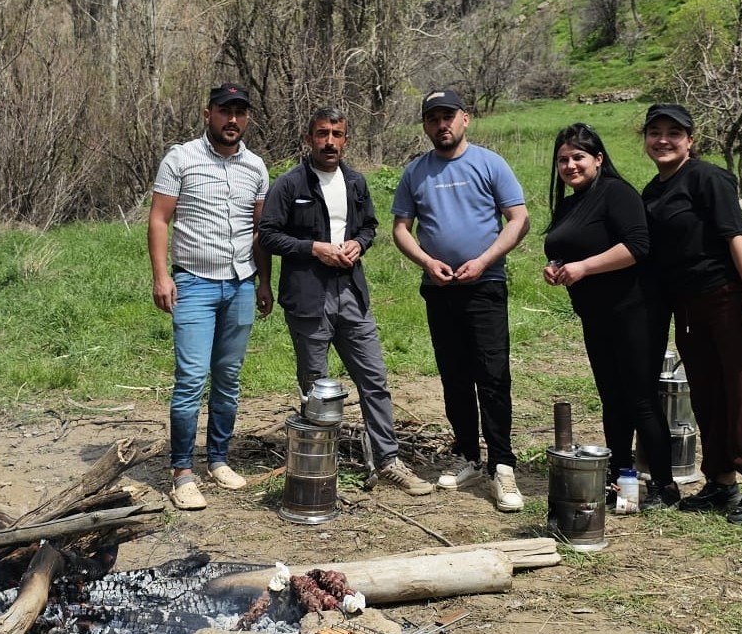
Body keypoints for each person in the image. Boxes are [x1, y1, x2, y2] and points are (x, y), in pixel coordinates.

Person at [258, 107, 435, 496]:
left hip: (351, 293)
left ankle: (388, 461)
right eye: (322, 134)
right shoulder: (289, 184)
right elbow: (267, 234)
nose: (329, 142)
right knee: (314, 386)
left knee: (374, 379)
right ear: (309, 139)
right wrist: (314, 248)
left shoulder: (354, 182)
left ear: (346, 140)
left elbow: (369, 226)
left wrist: (358, 243)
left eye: (337, 134)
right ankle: (318, 469)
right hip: (307, 296)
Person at [641, 103, 742, 524]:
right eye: (655, 132)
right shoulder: (653, 191)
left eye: (674, 133)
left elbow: (736, 236)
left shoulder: (707, 177)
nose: (663, 140)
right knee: (707, 392)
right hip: (691, 305)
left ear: (690, 140)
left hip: (731, 295)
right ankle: (721, 481)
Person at [391, 89, 530, 511]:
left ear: (464, 119)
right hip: (440, 289)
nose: (442, 125)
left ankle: (501, 464)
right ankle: (467, 454)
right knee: (454, 376)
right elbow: (400, 228)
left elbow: (519, 219)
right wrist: (426, 261)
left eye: (448, 116)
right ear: (425, 125)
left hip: (486, 286)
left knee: (492, 374)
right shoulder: (416, 172)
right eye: (433, 119)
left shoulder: (490, 163)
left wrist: (484, 260)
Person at [541, 122, 680, 510]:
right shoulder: (570, 203)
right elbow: (568, 247)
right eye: (563, 160)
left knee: (640, 398)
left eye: (578, 157)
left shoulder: (616, 193)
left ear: (598, 159)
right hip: (596, 314)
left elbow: (637, 246)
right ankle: (621, 477)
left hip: (635, 310)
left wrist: (583, 267)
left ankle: (665, 486)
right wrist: (556, 266)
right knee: (612, 399)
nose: (570, 166)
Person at [148, 83, 272, 511]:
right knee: (191, 379)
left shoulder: (255, 167)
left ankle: (218, 459)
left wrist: (264, 281)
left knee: (228, 378)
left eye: (240, 112)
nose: (232, 120)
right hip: (194, 283)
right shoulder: (181, 159)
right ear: (208, 114)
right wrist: (162, 277)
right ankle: (182, 471)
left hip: (240, 283)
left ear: (247, 118)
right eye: (224, 111)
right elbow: (159, 219)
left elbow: (260, 231)